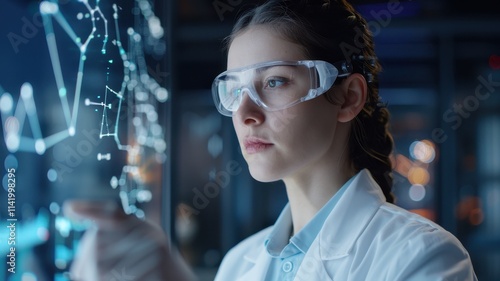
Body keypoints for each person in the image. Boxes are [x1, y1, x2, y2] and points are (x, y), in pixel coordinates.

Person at [65, 0, 478, 280]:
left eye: (275, 82)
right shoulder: (238, 264)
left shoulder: (422, 259)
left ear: (348, 97)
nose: (245, 114)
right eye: (234, 90)